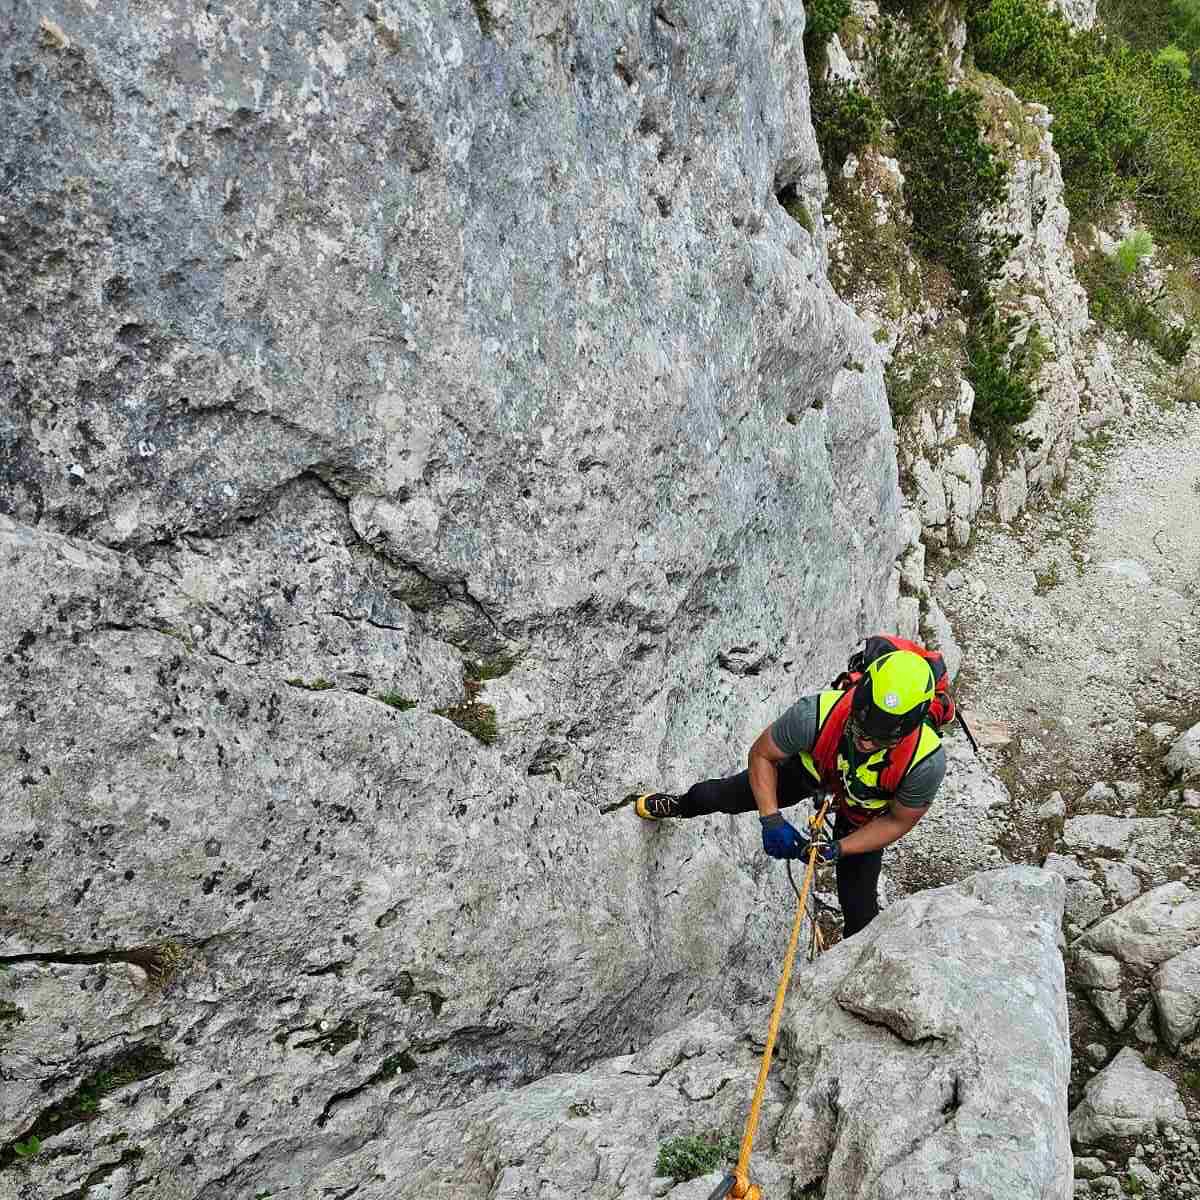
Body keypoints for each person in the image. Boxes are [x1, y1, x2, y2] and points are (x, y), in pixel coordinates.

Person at [633, 648, 948, 938]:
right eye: (862, 729)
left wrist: (840, 848)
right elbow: (762, 755)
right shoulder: (814, 714)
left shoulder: (925, 762)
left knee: (861, 918)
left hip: (865, 817)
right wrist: (771, 819)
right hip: (808, 774)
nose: (866, 742)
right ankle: (680, 804)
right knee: (713, 796)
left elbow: (897, 821)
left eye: (880, 739)